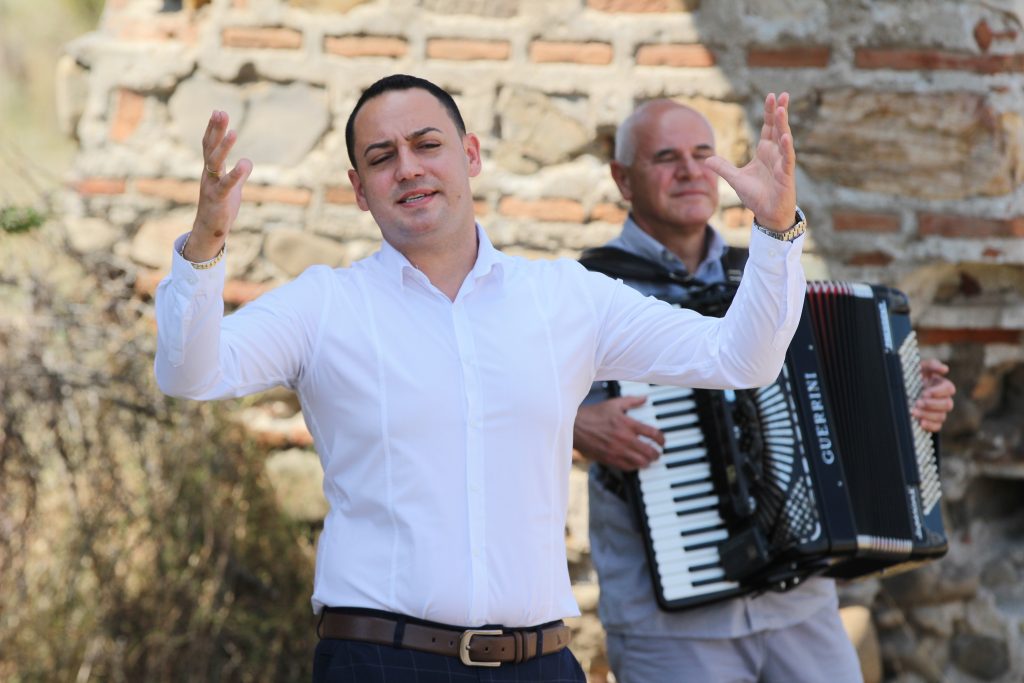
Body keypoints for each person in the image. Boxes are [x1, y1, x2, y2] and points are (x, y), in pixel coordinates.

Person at [154, 74, 811, 682]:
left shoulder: (565, 297)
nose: (408, 167)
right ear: (359, 190)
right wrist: (205, 243)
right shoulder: (324, 304)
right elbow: (193, 373)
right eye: (382, 157)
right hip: (380, 662)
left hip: (541, 662)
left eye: (426, 144)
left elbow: (739, 359)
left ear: (469, 155)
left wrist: (776, 229)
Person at [574, 99, 958, 683]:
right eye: (665, 158)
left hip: (799, 602)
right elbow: (503, 400)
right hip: (672, 618)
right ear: (622, 179)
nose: (690, 171)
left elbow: (836, 395)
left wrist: (907, 401)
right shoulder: (586, 287)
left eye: (703, 154)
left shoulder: (767, 271)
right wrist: (577, 425)